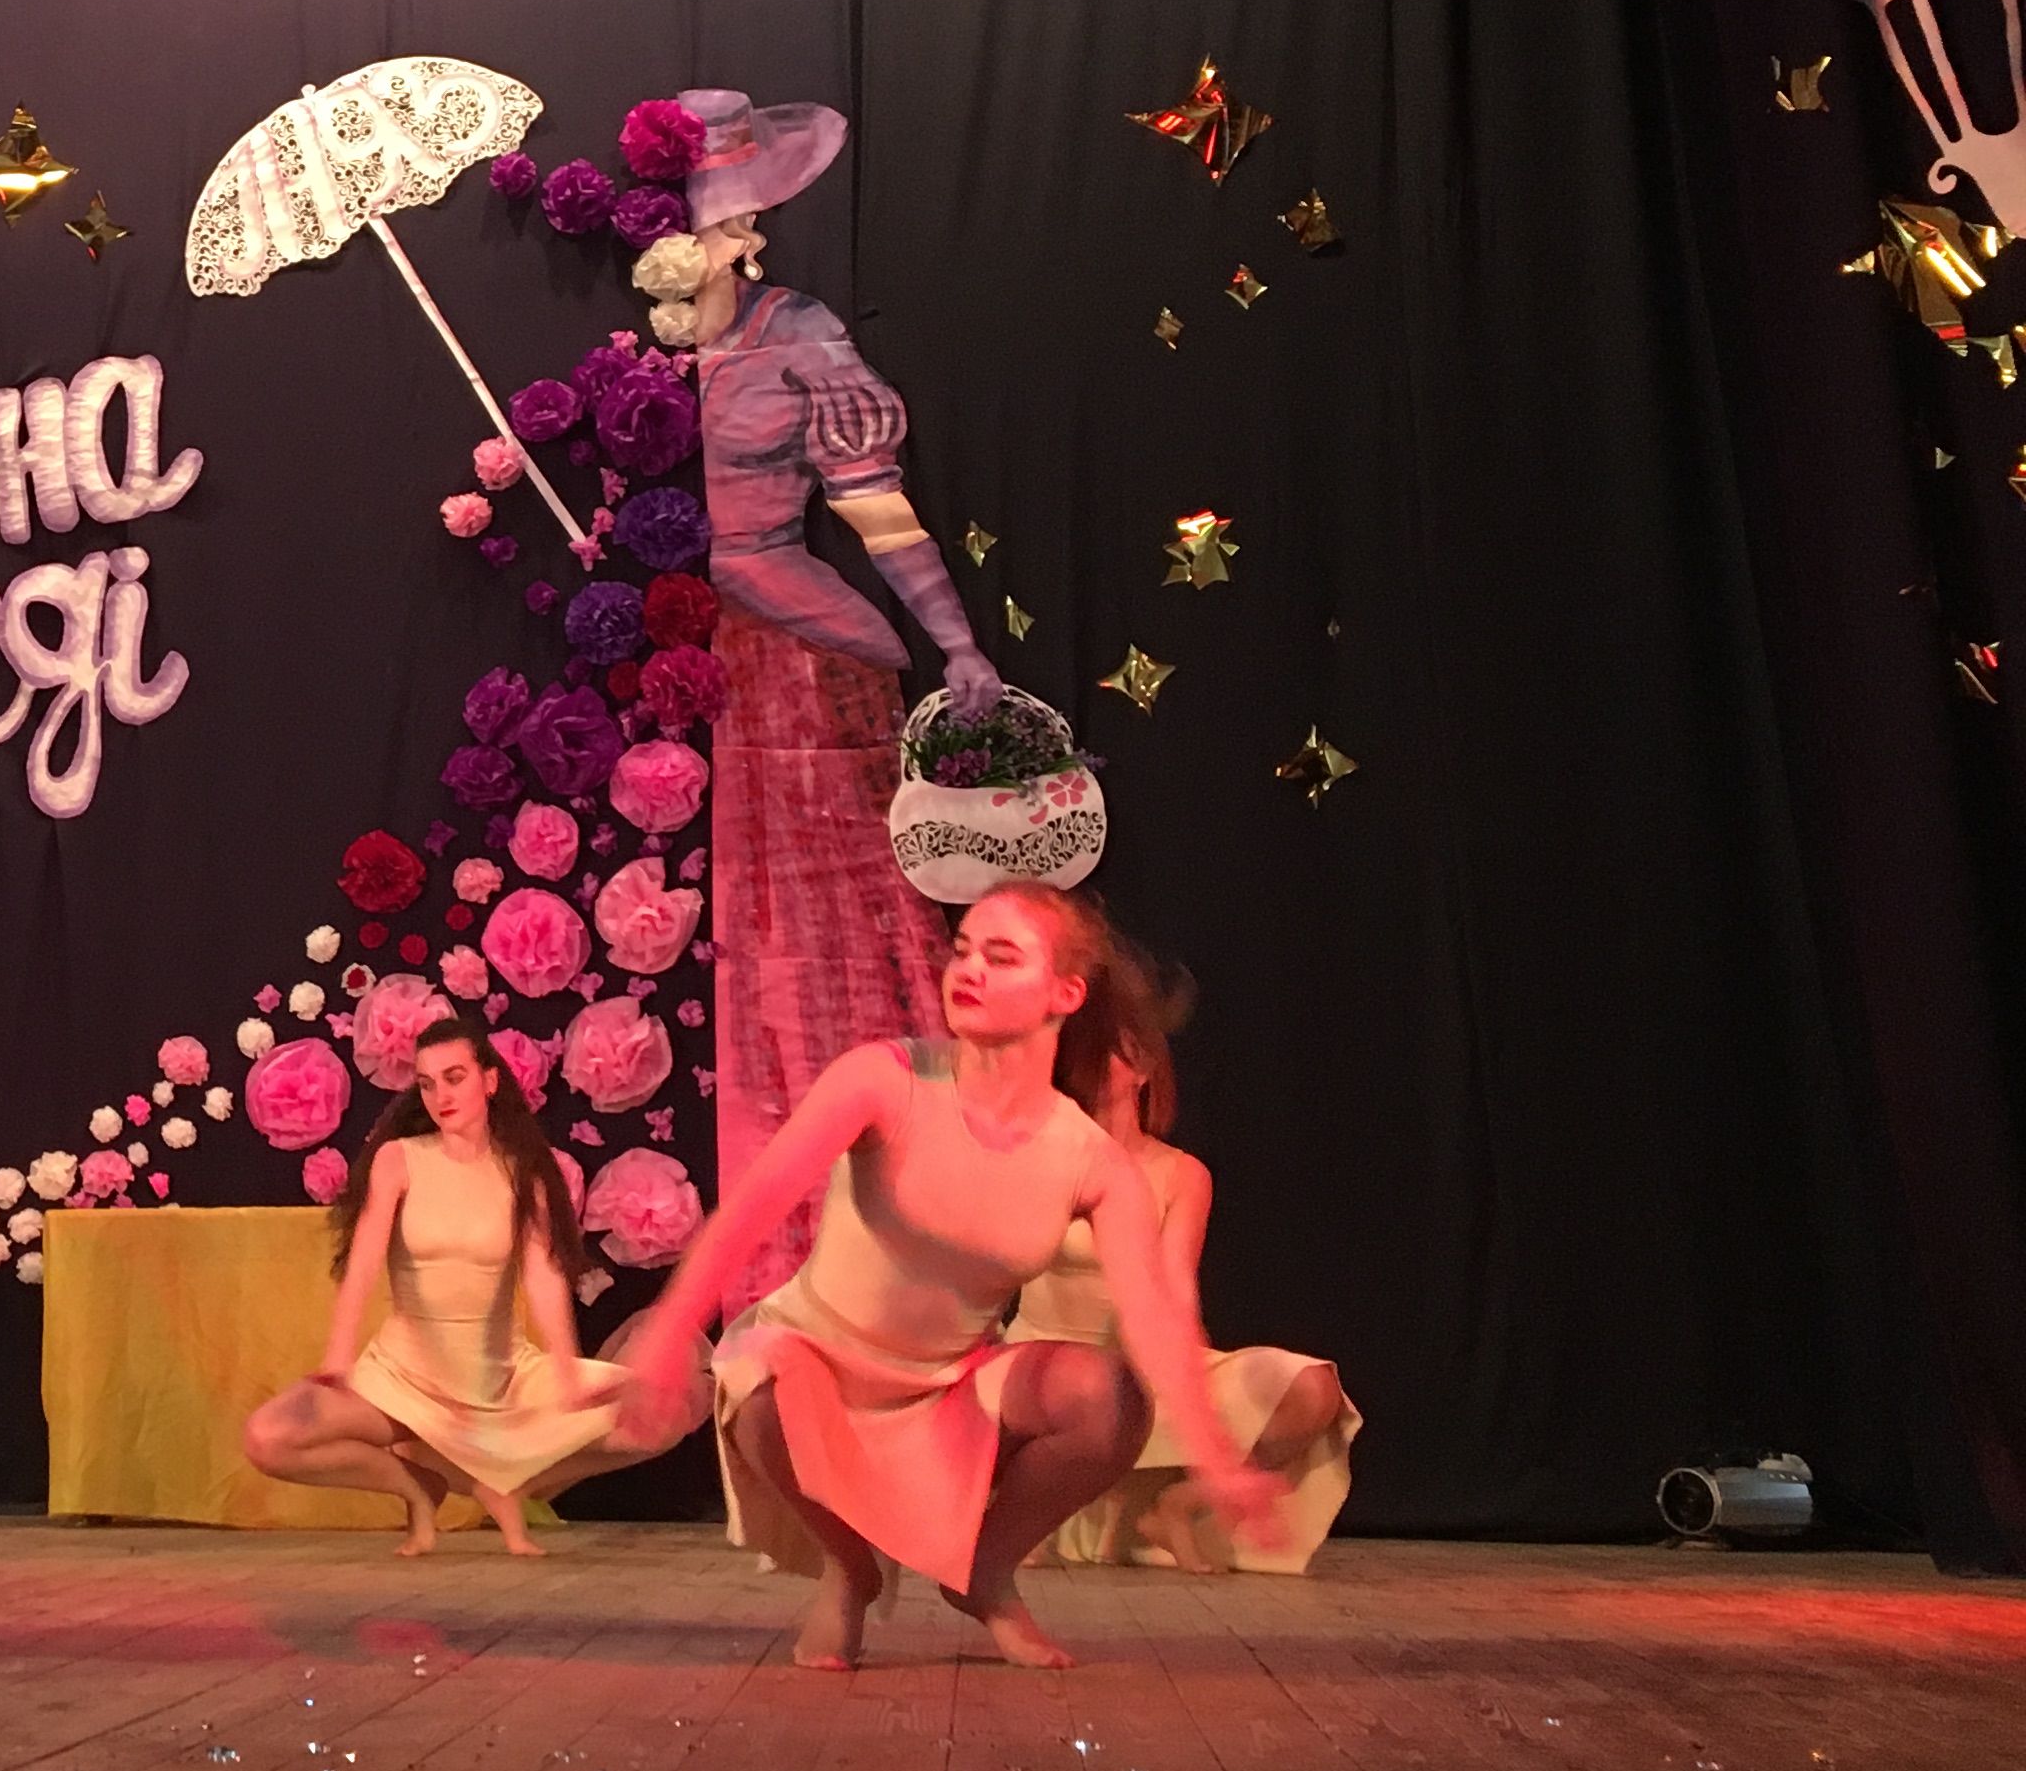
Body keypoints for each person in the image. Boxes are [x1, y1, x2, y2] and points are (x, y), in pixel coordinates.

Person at [619, 884, 1283, 1670]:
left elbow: (1156, 1315)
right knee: (760, 1392)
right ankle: (850, 1569)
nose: (968, 970)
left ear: (1064, 993)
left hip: (946, 1387)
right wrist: (668, 1331)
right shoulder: (885, 1078)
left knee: (1109, 1397)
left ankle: (985, 1573)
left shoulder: (1090, 1161)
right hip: (815, 1359)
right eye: (963, 949)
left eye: (1002, 957)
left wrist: (1218, 1457)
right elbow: (753, 1207)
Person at [632, 90, 1002, 1310]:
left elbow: (877, 510)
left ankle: (893, 1237)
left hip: (794, 655)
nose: (738, 235)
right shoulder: (636, 353)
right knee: (736, 937)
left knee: (830, 929)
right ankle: (770, 1261)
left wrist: (955, 642)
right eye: (716, 216)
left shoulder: (799, 335)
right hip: (683, 669)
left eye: (738, 217)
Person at [242, 1015, 687, 1555]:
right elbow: (362, 1263)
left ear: (489, 1080)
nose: (441, 1096)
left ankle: (506, 1483)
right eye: (427, 1084)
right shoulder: (399, 1159)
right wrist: (339, 1354)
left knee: (662, 1410)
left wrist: (568, 1374)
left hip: (498, 1384)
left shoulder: (521, 1171)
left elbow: (543, 1278)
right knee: (267, 1437)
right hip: (401, 1380)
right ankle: (417, 1486)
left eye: (454, 1078)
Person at [1013, 997, 1359, 1574]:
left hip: (1144, 1363)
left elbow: (1175, 1287)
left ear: (1143, 1068)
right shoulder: (1041, 1155)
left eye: (1113, 1051)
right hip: (1047, 1367)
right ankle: (1037, 1500)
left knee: (1311, 1390)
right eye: (1086, 1050)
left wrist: (1185, 1380)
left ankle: (1180, 1505)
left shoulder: (1181, 1173)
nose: (1097, 1062)